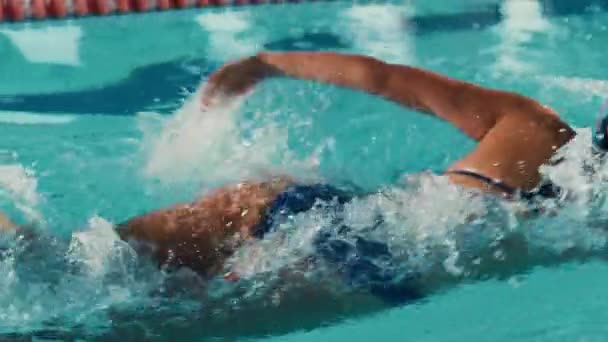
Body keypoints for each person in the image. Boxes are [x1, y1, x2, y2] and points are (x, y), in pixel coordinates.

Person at [0, 52, 601, 321]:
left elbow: (384, 76)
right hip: (378, 265)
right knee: (105, 323)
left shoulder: (536, 126)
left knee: (71, 265)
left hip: (306, 203)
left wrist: (266, 62)